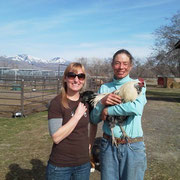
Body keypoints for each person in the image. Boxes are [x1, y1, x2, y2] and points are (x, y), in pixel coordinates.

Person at [90, 49, 147, 180]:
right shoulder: (104, 88)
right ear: (112, 65)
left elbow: (136, 108)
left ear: (131, 65)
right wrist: (102, 103)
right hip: (108, 145)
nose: (121, 67)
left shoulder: (138, 84)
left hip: (132, 145)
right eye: (117, 63)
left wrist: (108, 110)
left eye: (125, 63)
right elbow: (93, 119)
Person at [46, 62, 91, 180]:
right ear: (65, 78)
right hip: (61, 166)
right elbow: (56, 137)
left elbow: (94, 122)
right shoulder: (57, 103)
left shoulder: (86, 101)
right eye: (72, 75)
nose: (76, 80)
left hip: (83, 164)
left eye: (81, 76)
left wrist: (90, 141)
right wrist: (76, 116)